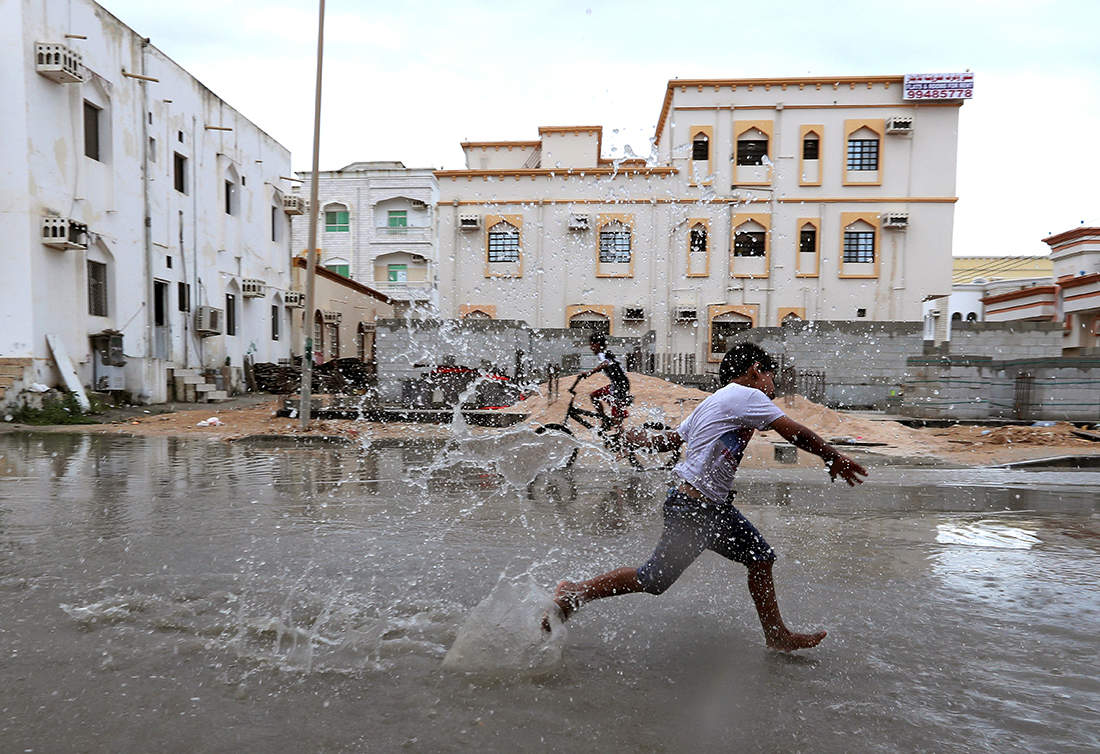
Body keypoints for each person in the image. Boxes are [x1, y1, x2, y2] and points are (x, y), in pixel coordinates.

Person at [547, 343, 868, 651]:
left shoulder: (714, 402)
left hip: (707, 507)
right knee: (654, 578)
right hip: (695, 508)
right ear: (755, 371)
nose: (774, 384)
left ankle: (777, 635)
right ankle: (575, 592)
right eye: (772, 375)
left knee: (760, 558)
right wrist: (832, 457)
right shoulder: (747, 395)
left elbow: (670, 440)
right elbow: (793, 431)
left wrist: (634, 440)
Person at [578, 332, 632, 423]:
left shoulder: (602, 354)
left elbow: (605, 363)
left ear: (597, 344)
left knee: (616, 417)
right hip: (618, 385)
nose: (591, 348)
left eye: (592, 345)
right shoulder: (605, 354)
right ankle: (604, 419)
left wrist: (589, 373)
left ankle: (620, 434)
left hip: (619, 387)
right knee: (594, 396)